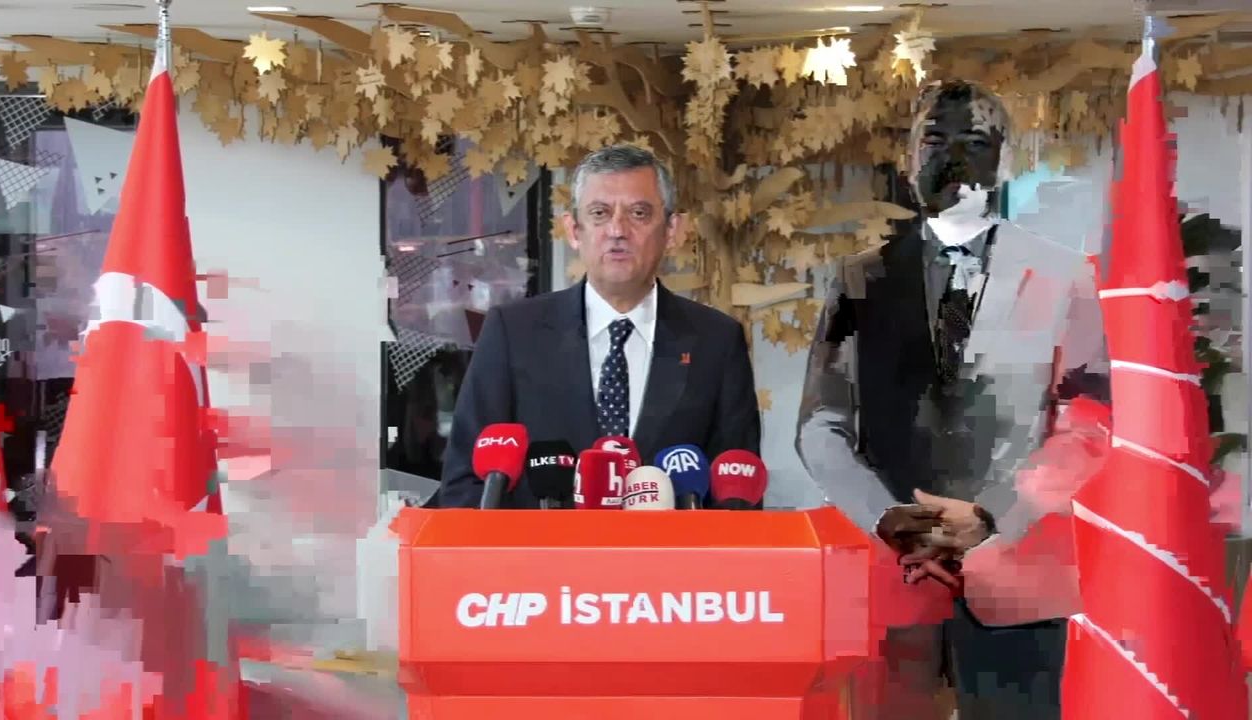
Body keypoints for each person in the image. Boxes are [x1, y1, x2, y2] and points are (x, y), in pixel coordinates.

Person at [795, 80, 1109, 719]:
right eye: (936, 140)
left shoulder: (1065, 277)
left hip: (1018, 580)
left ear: (1006, 158)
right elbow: (820, 424)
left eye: (976, 142)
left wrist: (993, 514)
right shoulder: (859, 279)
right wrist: (889, 519)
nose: (954, 157)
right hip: (888, 580)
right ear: (909, 156)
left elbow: (1089, 424)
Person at [438, 144, 762, 508]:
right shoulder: (513, 332)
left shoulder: (716, 341)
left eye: (639, 213)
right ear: (573, 230)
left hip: (671, 548)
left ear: (672, 231)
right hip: (540, 547)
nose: (617, 230)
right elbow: (465, 485)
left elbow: (738, 492)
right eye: (599, 213)